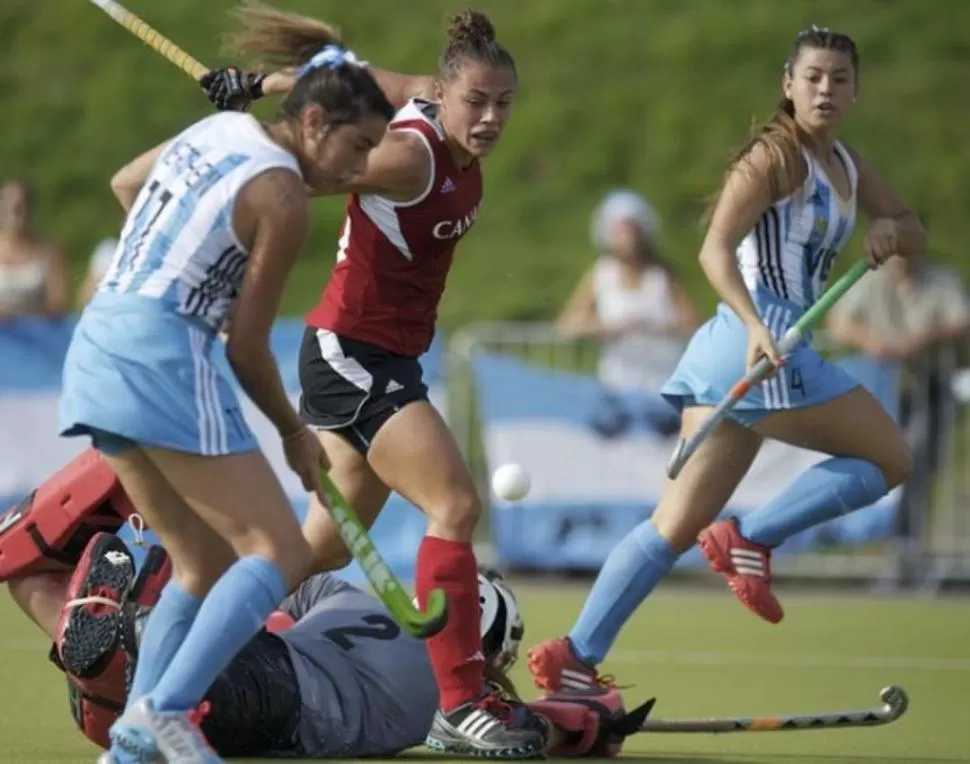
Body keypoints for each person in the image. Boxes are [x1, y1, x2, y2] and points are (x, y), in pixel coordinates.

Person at [526, 26, 927, 694]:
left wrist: (893, 230)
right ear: (788, 84)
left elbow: (914, 226)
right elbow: (715, 249)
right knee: (891, 459)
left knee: (673, 526)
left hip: (745, 355)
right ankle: (752, 538)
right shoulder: (774, 158)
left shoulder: (849, 164)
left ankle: (575, 654)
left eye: (839, 78)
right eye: (813, 77)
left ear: (856, 90)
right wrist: (752, 325)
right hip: (760, 344)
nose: (826, 89)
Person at [200, 4, 543, 757]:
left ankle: (191, 623)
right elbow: (304, 165)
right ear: (445, 98)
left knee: (313, 552)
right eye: (476, 103)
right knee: (454, 502)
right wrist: (239, 133)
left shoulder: (427, 93)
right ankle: (461, 703)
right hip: (352, 353)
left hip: (383, 357)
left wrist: (257, 80)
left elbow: (344, 79)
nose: (488, 118)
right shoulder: (407, 160)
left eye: (502, 103)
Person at [56, 19, 395, 762]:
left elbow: (126, 183)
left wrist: (187, 245)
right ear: (312, 121)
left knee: (201, 562)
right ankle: (164, 711)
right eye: (359, 145)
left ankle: (131, 748)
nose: (362, 165)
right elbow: (246, 348)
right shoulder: (284, 197)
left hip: (95, 347)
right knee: (275, 549)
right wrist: (296, 433)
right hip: (160, 353)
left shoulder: (214, 135)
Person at [10, 528, 645, 759]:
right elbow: (540, 734)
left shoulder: (348, 597)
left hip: (259, 664)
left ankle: (110, 633)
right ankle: (116, 652)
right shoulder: (460, 700)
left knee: (42, 589)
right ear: (490, 650)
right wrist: (594, 727)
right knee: (179, 687)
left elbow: (269, 602)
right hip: (279, 709)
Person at [558, 189, 699, 392]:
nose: (627, 239)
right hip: (617, 383)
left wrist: (654, 327)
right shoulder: (600, 274)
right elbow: (568, 326)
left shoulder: (663, 275)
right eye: (620, 231)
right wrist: (611, 328)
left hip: (663, 381)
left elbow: (692, 323)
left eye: (631, 230)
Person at [0, 179, 70, 321]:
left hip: (35, 333)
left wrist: (19, 314)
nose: (13, 212)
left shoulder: (49, 251)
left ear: (30, 210)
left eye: (19, 207)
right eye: (8, 206)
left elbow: (59, 303)